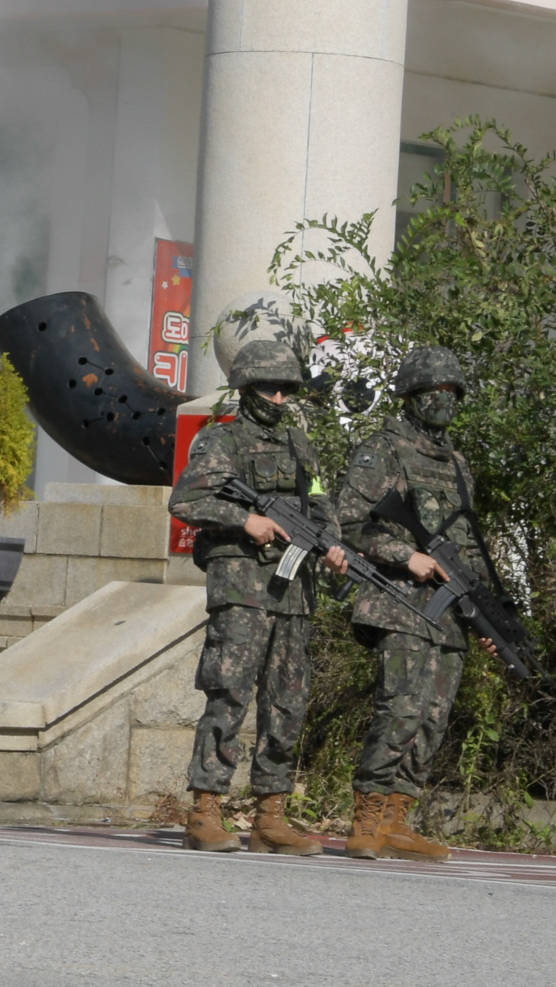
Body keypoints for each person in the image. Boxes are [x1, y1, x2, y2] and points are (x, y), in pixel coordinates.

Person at [164, 339, 344, 855]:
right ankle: (205, 810)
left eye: (288, 388)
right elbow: (186, 499)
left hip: (294, 592)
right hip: (242, 588)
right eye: (272, 387)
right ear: (247, 387)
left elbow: (320, 504)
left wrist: (330, 544)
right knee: (230, 693)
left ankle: (271, 815)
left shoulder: (300, 446)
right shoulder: (221, 443)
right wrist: (245, 519)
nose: (281, 397)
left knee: (288, 702)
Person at [335, 346, 496, 862]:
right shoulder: (383, 451)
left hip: (448, 611)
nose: (444, 401)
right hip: (398, 601)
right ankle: (367, 816)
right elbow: (351, 520)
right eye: (434, 392)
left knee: (433, 716)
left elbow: (468, 544)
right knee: (401, 707)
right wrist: (408, 556)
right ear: (410, 396)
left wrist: (489, 617)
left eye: (452, 392)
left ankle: (397, 818)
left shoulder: (457, 465)